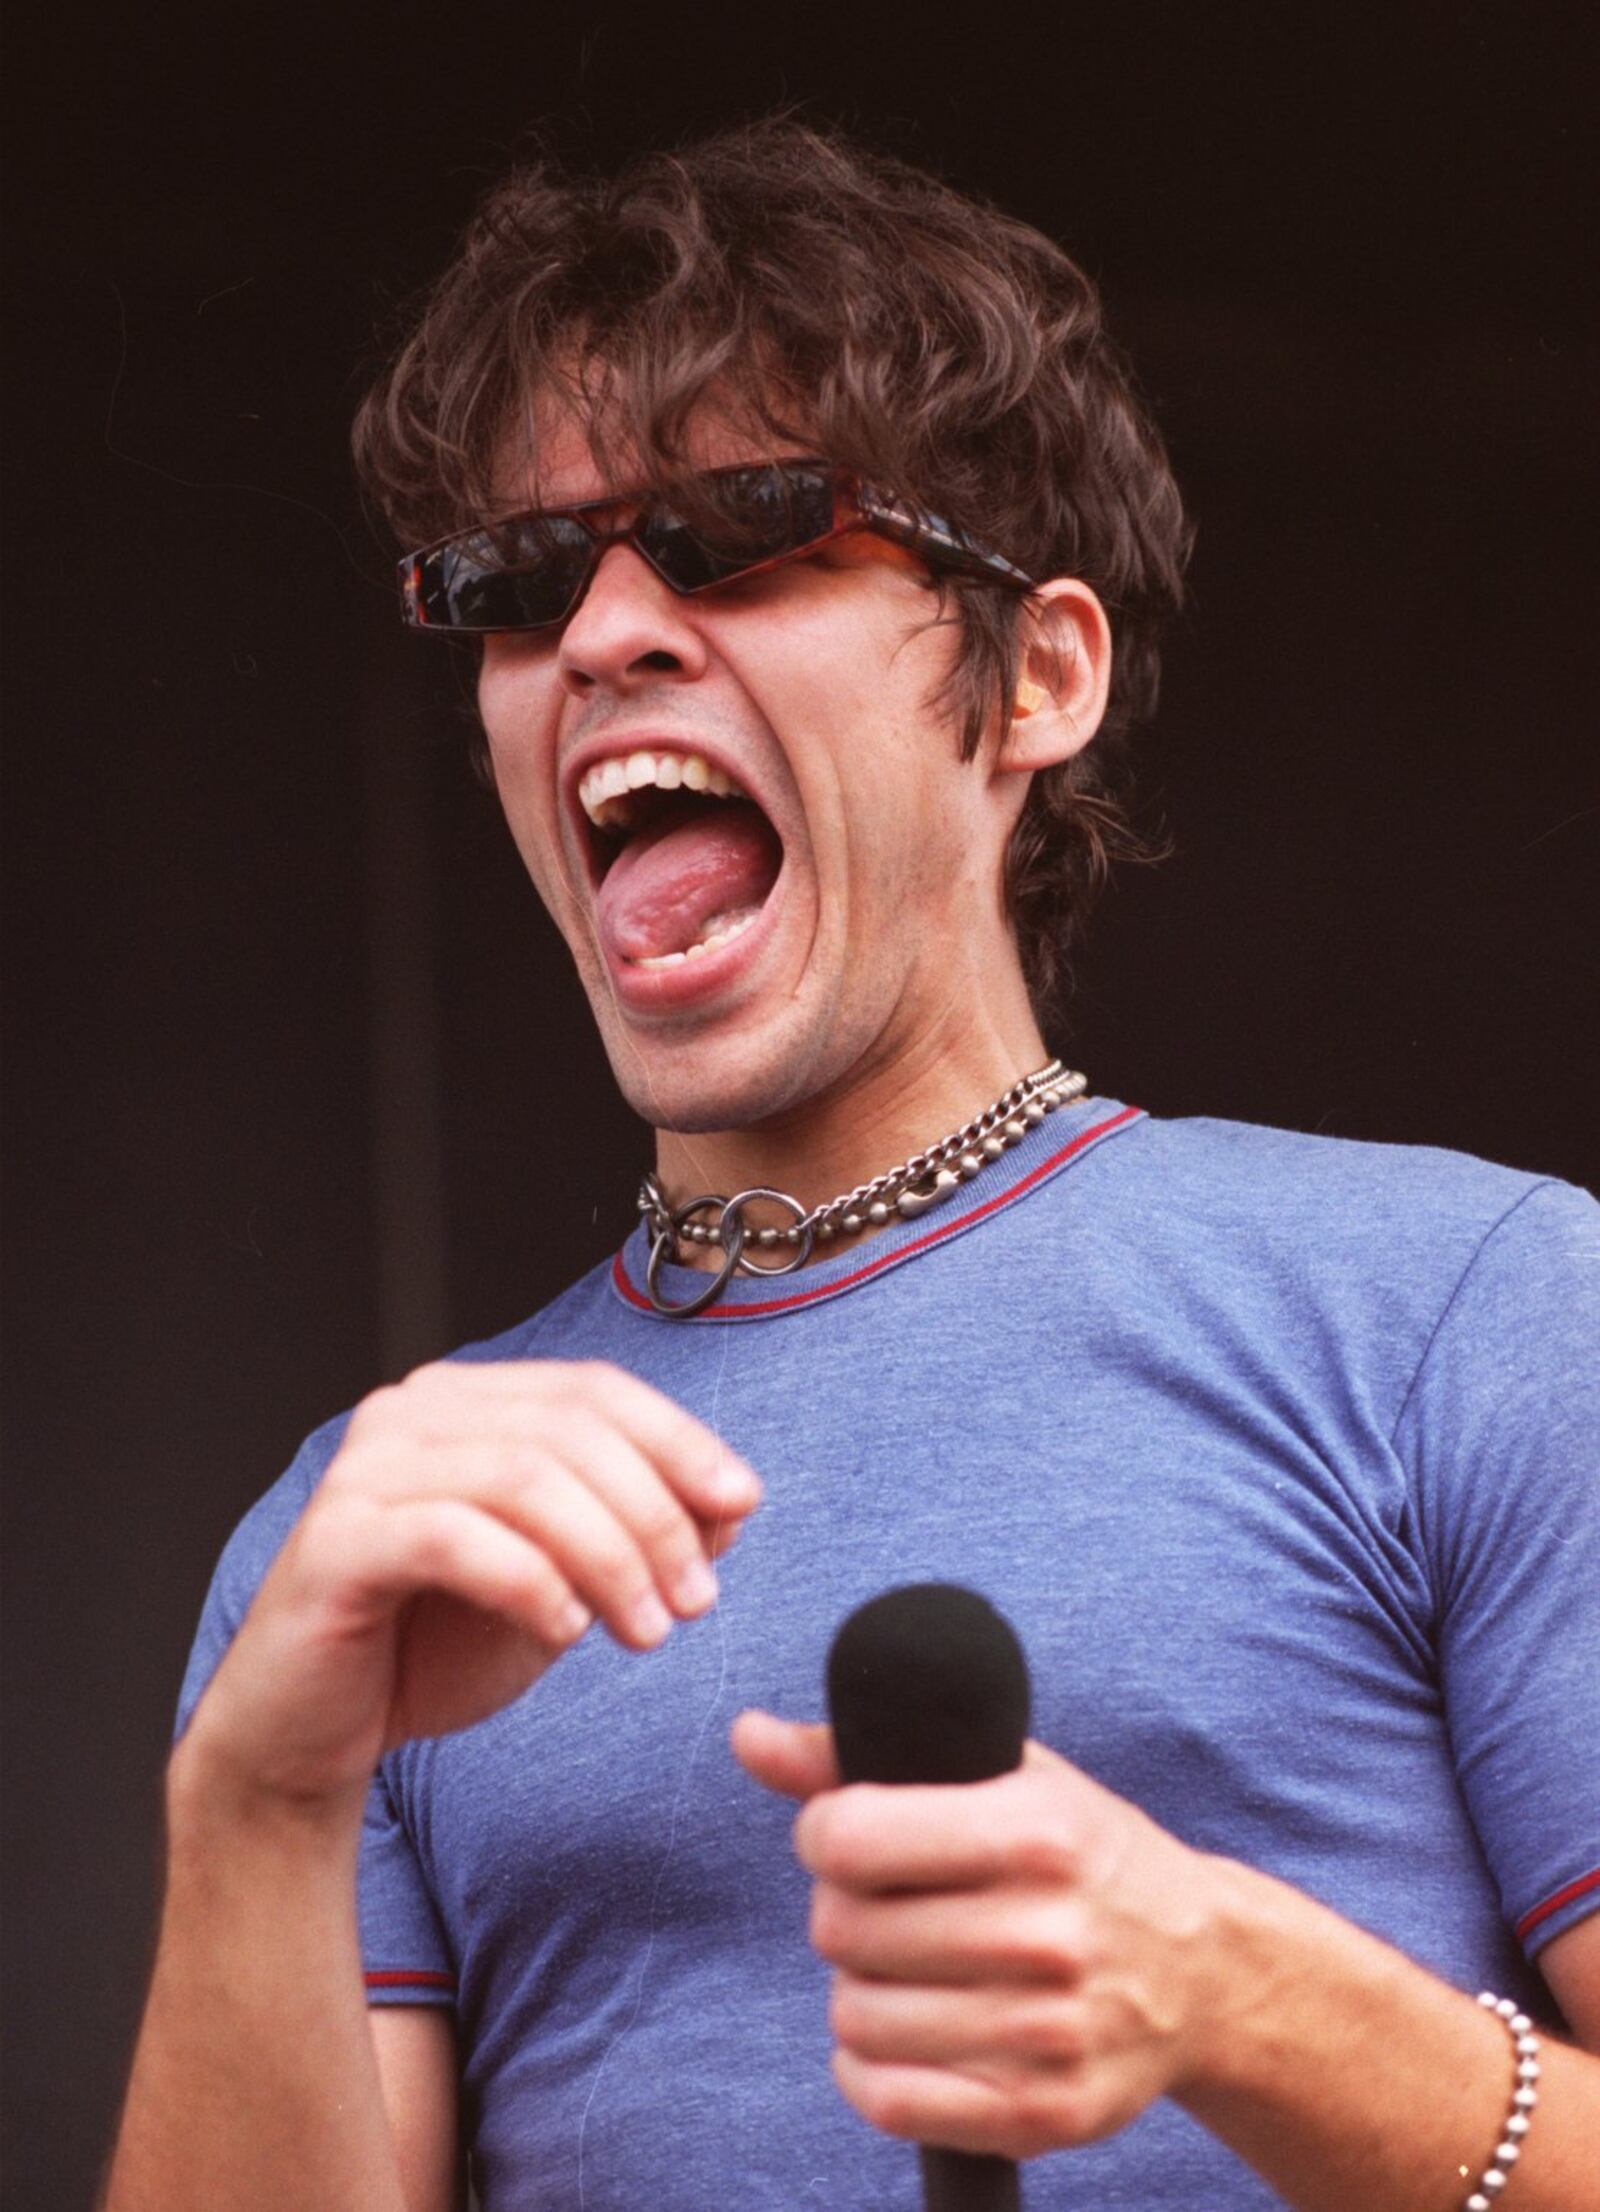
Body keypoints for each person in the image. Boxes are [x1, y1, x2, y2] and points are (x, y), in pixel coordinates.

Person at [103, 119, 1599, 2211]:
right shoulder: (362, 1554)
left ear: (1034, 675)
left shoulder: (1471, 1305)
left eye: (739, 530)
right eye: (519, 583)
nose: (607, 628)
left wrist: (1239, 1996)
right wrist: (256, 1798)